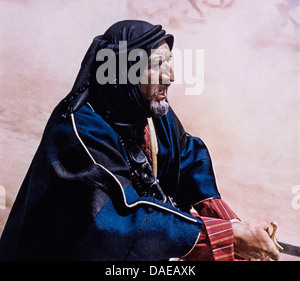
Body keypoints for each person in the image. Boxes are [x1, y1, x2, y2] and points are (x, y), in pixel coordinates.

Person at [0, 20, 281, 261]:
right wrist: (227, 237)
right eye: (158, 66)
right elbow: (120, 219)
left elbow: (187, 155)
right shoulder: (78, 131)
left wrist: (230, 222)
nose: (171, 77)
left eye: (170, 65)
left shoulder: (146, 109)